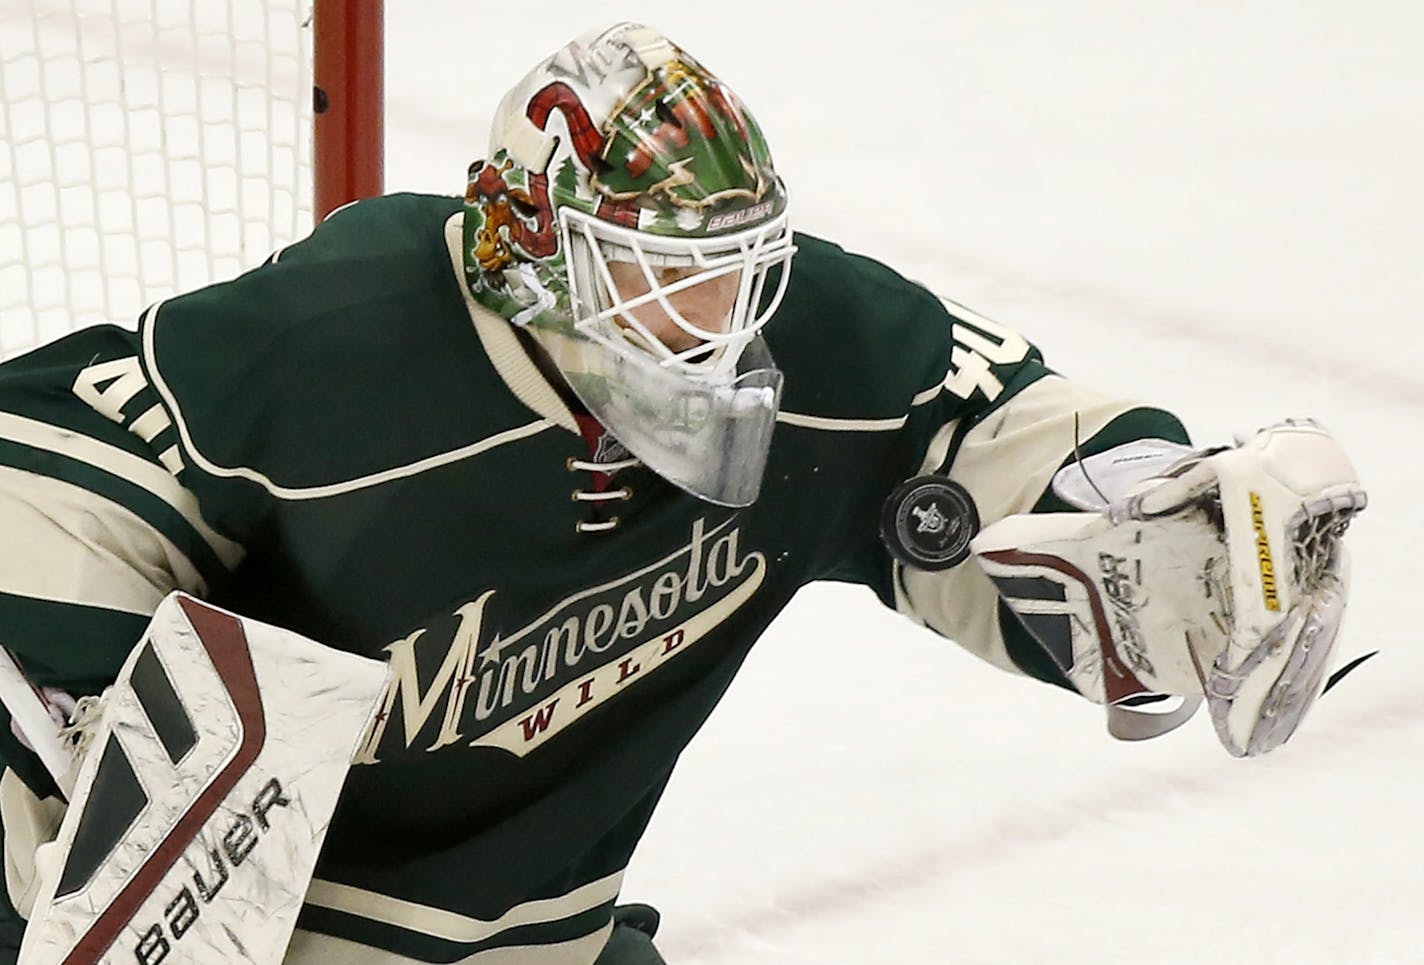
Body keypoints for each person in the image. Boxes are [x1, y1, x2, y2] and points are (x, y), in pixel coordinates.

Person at [0, 21, 1365, 965]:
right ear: (524, 250)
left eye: (733, 268)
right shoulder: (342, 347)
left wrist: (1138, 495)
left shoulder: (813, 348)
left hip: (549, 934)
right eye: (657, 272)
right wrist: (73, 696)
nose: (713, 318)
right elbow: (48, 457)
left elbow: (970, 433)